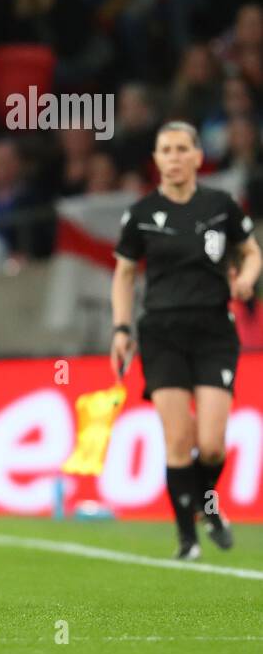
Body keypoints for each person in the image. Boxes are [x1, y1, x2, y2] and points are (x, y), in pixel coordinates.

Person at [111, 121, 261, 559]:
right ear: (155, 159)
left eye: (182, 149)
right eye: (165, 150)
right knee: (178, 439)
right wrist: (121, 329)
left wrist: (248, 279)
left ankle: (208, 506)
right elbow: (123, 275)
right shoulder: (140, 214)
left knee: (211, 444)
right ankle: (187, 539)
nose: (173, 157)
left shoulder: (220, 206)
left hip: (214, 328)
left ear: (198, 157)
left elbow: (251, 251)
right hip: (161, 331)